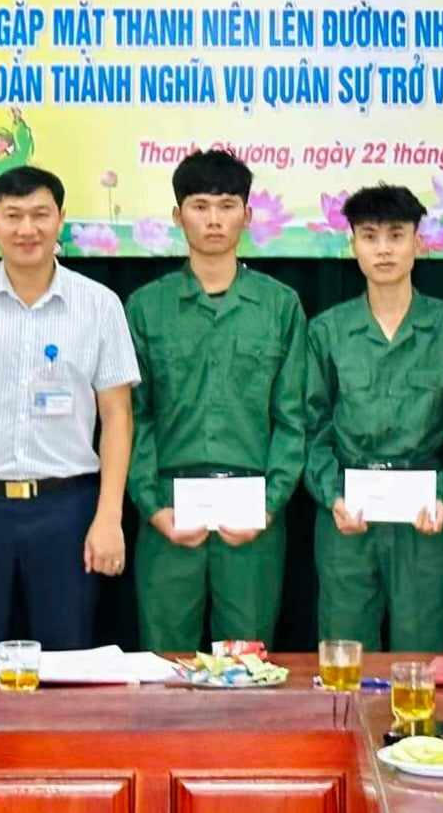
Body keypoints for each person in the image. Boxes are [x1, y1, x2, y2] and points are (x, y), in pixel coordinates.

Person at [0, 165, 138, 649]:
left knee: (68, 662)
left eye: (40, 214)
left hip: (68, 509)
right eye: (12, 215)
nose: (27, 229)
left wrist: (109, 516)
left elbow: (117, 415)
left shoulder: (99, 305)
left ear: (61, 219)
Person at [126, 149, 306, 649]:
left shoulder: (279, 306)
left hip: (250, 516)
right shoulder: (146, 307)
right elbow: (134, 417)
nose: (213, 219)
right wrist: (152, 506)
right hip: (168, 511)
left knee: (247, 664)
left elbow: (293, 418)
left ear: (247, 215)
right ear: (177, 214)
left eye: (227, 206)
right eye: (200, 206)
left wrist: (267, 507)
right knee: (165, 665)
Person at [304, 185, 443, 652]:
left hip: (426, 518)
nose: (383, 249)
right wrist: (332, 494)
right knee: (345, 660)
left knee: (424, 661)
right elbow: (312, 429)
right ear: (353, 245)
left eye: (396, 235)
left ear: (418, 242)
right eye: (370, 236)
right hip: (348, 517)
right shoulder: (327, 331)